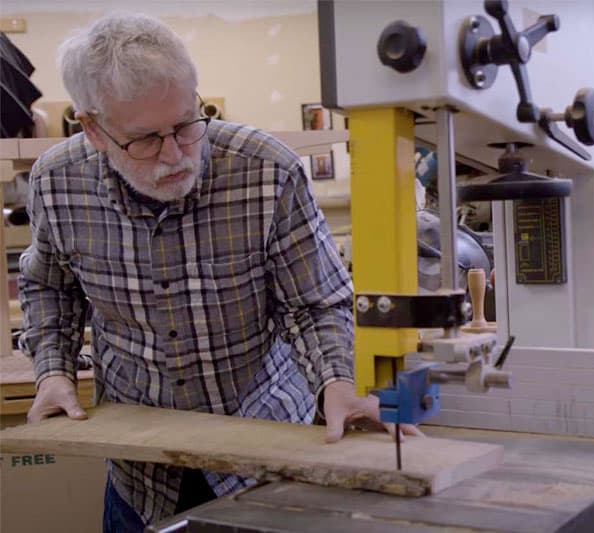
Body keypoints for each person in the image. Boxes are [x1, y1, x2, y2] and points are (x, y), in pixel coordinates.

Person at [18, 13, 420, 532]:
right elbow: (50, 286)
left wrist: (336, 381)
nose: (175, 155)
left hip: (266, 455)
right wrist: (54, 371)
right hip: (140, 473)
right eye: (145, 140)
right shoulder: (56, 184)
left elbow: (315, 302)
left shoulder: (266, 170)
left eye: (187, 124)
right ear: (93, 128)